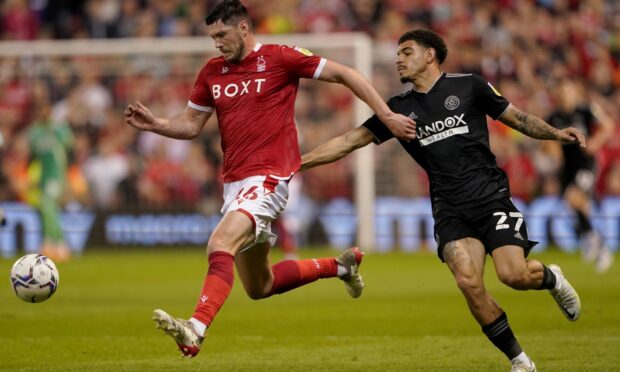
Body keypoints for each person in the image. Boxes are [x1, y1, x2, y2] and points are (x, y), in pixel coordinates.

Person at [124, 0, 416, 358]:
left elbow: (346, 74)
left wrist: (385, 115)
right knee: (260, 285)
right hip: (234, 185)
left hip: (269, 179)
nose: (217, 42)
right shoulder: (212, 72)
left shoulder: (281, 57)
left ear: (243, 28)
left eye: (222, 34)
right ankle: (340, 266)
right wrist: (156, 125)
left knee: (219, 244)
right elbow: (189, 123)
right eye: (212, 36)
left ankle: (195, 327)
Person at [300, 29, 584, 372]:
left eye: (406, 52)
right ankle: (520, 361)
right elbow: (349, 140)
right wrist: (297, 163)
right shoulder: (398, 110)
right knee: (468, 282)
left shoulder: (470, 86)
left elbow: (519, 118)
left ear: (430, 55)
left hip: (490, 197)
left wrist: (556, 134)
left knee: (514, 276)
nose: (398, 59)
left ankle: (551, 279)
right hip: (450, 209)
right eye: (398, 53)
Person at [546, 79, 615, 273]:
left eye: (567, 92)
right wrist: (553, 153)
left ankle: (598, 244)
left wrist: (595, 142)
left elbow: (608, 126)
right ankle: (591, 239)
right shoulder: (554, 117)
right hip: (567, 168)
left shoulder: (586, 110)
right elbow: (547, 141)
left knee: (574, 198)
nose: (564, 96)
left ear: (575, 93)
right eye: (560, 92)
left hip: (586, 164)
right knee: (575, 204)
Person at [28, 95, 73, 262]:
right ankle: (54, 244)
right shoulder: (35, 133)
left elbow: (67, 151)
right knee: (48, 209)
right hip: (43, 178)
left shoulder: (59, 130)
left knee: (48, 207)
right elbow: (33, 157)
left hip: (56, 176)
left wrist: (64, 179)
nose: (43, 112)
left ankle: (57, 243)